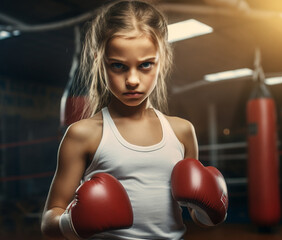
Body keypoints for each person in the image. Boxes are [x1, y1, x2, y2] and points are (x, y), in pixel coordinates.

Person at [41, 1, 227, 239]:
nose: (132, 80)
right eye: (118, 66)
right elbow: (49, 220)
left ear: (162, 60)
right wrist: (71, 222)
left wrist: (210, 210)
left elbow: (195, 212)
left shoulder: (181, 131)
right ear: (100, 60)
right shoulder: (83, 134)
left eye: (145, 65)